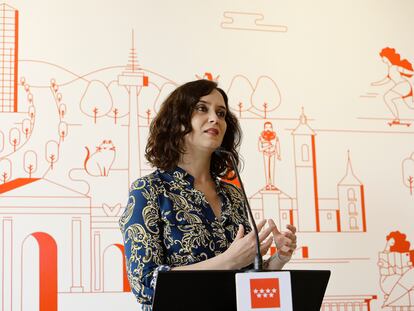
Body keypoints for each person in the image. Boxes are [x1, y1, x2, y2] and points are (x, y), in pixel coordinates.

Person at [119, 79, 297, 310]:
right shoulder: (149, 190)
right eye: (202, 108)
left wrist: (278, 259)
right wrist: (228, 260)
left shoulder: (233, 194)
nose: (215, 118)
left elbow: (245, 280)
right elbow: (145, 284)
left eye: (221, 113)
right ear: (177, 120)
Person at [371, 47, 414, 124]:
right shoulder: (390, 68)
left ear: (387, 58)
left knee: (387, 97)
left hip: (403, 85)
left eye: (383, 57)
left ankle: (397, 119)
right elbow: (386, 80)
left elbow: (408, 71)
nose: (382, 59)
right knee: (411, 106)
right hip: (405, 86)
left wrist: (411, 72)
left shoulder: (395, 67)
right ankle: (397, 119)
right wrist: (375, 84)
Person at [258, 121, 281, 190]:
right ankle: (268, 184)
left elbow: (277, 146)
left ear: (272, 128)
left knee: (272, 169)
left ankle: (272, 184)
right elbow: (260, 148)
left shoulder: (275, 137)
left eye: (270, 127)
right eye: (266, 127)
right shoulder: (261, 137)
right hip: (265, 154)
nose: (268, 129)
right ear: (264, 128)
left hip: (273, 153)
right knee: (267, 169)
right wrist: (268, 146)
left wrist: (278, 154)